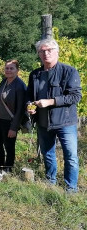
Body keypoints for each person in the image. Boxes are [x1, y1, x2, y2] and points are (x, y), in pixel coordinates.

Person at [27, 38, 81, 192]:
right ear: (39, 54)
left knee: (70, 156)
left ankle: (70, 189)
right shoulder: (35, 74)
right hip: (44, 122)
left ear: (57, 51)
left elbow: (75, 96)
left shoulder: (69, 71)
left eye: (49, 50)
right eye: (42, 51)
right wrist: (30, 106)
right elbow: (29, 96)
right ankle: (50, 183)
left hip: (65, 122)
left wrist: (51, 102)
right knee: (48, 154)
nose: (46, 53)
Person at [0, 60, 26, 172]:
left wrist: (14, 127)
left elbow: (21, 108)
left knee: (9, 146)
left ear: (17, 70)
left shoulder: (20, 86)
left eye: (11, 68)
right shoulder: (4, 82)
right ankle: (0, 164)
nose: (8, 70)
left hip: (10, 121)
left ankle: (8, 168)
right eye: (7, 68)